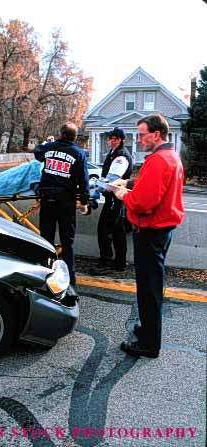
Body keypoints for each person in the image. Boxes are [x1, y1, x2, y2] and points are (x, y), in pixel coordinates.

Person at [113, 114, 184, 358]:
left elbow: (144, 202)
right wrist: (130, 182)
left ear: (156, 134)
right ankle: (146, 331)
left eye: (142, 134)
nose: (139, 139)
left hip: (150, 232)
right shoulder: (171, 157)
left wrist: (123, 195)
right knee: (151, 287)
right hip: (161, 231)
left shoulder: (158, 160)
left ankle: (149, 343)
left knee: (149, 290)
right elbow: (151, 186)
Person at [34, 122, 90, 285]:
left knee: (46, 238)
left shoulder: (49, 148)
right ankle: (70, 278)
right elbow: (83, 180)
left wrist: (46, 142)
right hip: (66, 201)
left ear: (60, 134)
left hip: (48, 199)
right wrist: (84, 201)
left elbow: (37, 152)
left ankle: (45, 274)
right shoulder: (78, 154)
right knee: (68, 241)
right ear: (74, 137)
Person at [91, 127, 133, 274]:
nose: (110, 140)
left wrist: (96, 187)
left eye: (113, 138)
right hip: (119, 199)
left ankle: (105, 263)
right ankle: (119, 263)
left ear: (119, 140)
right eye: (109, 138)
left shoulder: (121, 157)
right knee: (118, 232)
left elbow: (113, 180)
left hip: (115, 199)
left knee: (104, 230)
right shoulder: (114, 154)